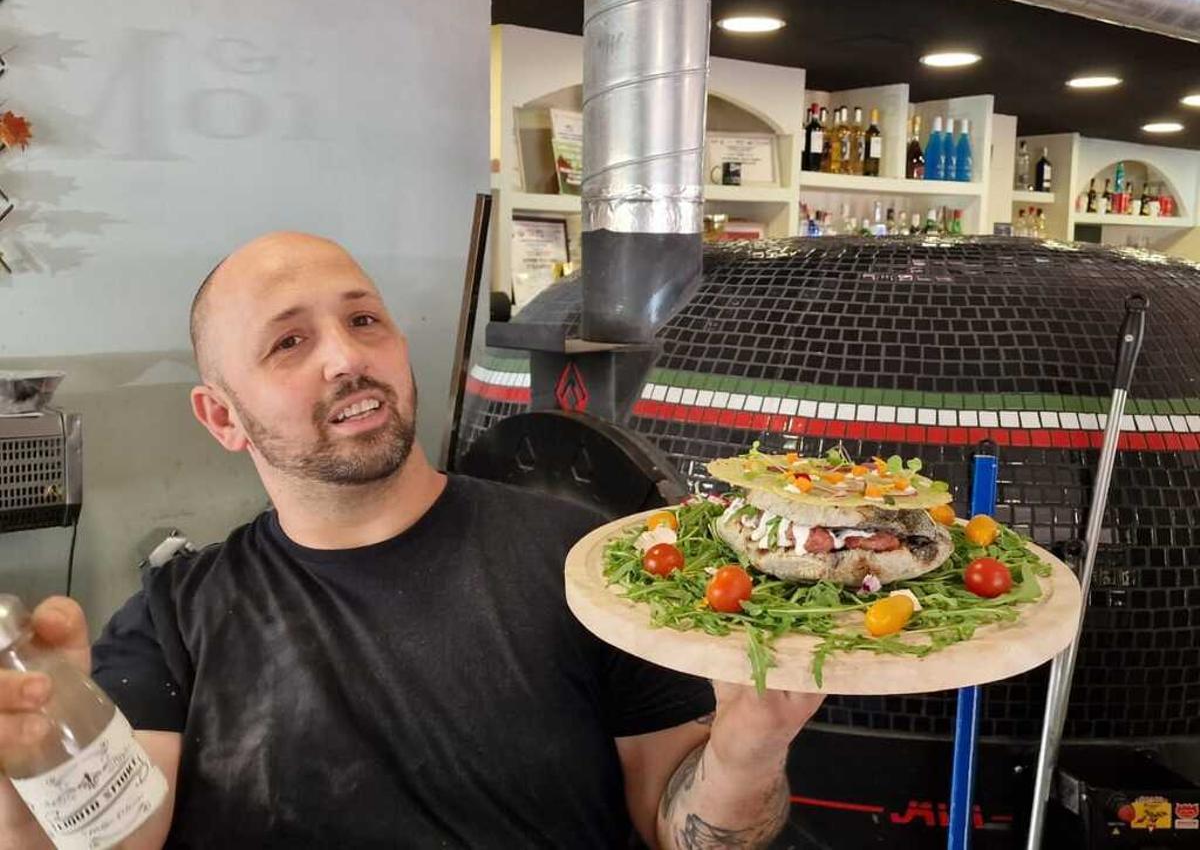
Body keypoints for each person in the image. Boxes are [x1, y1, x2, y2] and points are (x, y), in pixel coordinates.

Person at [0, 232, 823, 848]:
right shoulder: (172, 618)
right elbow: (113, 841)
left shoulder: (587, 563)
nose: (347, 357)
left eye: (364, 320)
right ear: (221, 417)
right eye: (290, 341)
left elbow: (676, 826)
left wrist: (750, 751)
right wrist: (33, 770)